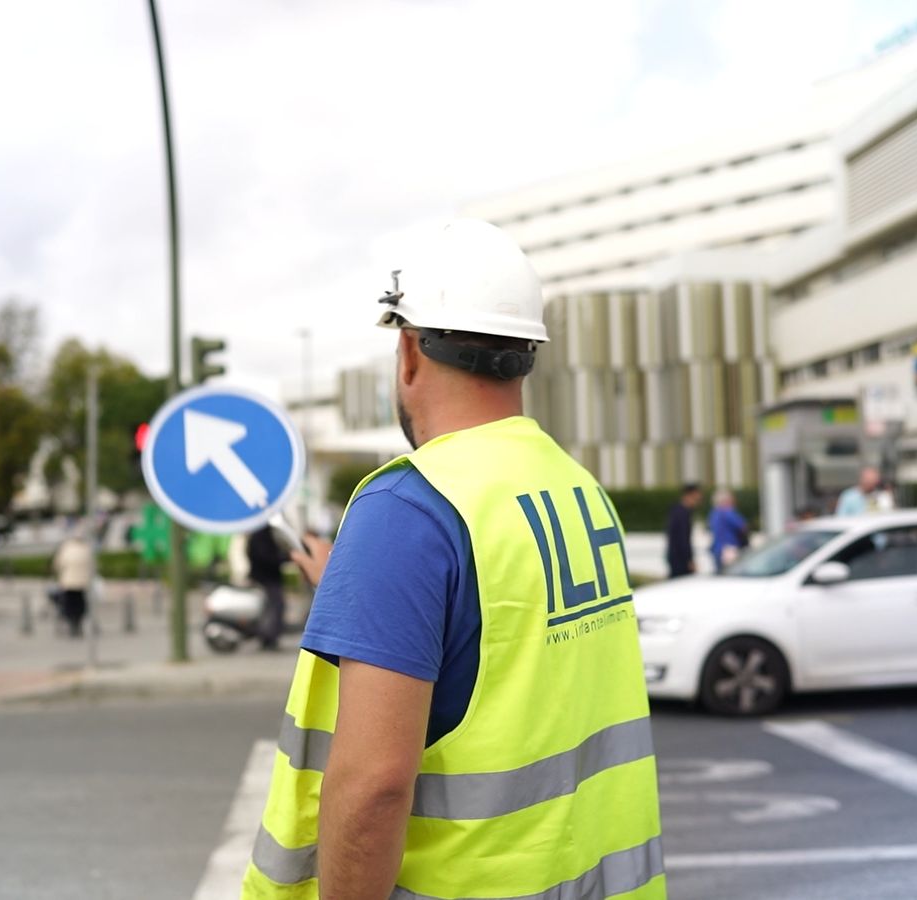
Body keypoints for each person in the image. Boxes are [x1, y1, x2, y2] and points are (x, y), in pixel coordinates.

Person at [243, 220, 663, 899]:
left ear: (408, 351)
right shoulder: (576, 489)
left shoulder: (407, 510)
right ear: (526, 353)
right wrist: (354, 594)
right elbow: (504, 638)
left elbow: (375, 787)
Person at [245, 524, 288, 651]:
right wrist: (283, 558)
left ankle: (267, 636)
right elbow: (267, 556)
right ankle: (268, 636)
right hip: (267, 578)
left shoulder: (258, 533)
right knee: (274, 606)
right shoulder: (262, 535)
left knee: (270, 607)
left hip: (263, 576)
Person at [51, 530, 95, 638]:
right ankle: (78, 624)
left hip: (68, 582)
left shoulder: (66, 548)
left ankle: (72, 624)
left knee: (69, 604)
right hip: (82, 583)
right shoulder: (87, 548)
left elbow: (57, 564)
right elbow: (92, 566)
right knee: (80, 603)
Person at [666, 484, 702, 580]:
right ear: (688, 495)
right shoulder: (682, 513)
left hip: (676, 558)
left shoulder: (677, 511)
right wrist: (689, 560)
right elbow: (683, 539)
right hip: (680, 561)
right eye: (696, 498)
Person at [707, 490, 749, 572]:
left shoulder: (713, 513)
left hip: (718, 550)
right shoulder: (727, 512)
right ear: (726, 501)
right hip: (729, 550)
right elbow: (743, 527)